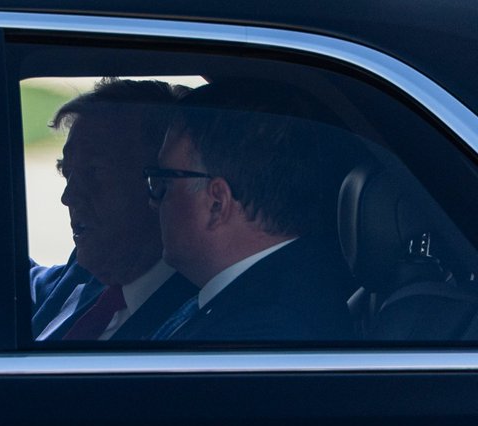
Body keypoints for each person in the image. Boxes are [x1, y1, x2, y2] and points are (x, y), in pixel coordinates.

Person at [147, 79, 357, 341]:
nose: (153, 201)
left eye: (163, 182)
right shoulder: (274, 293)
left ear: (217, 203)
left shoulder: (261, 331)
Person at [30, 78, 196, 341]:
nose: (68, 196)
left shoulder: (196, 319)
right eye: (67, 172)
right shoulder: (91, 270)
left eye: (94, 172)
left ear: (161, 181)